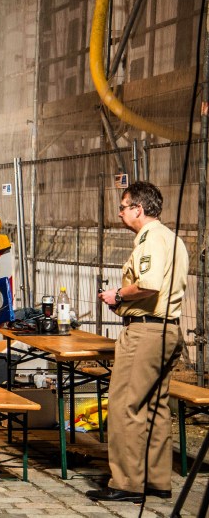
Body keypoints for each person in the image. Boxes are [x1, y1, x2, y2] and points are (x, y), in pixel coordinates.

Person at [88, 181, 188, 503]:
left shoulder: (150, 239)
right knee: (156, 407)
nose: (120, 214)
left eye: (123, 207)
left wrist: (116, 294)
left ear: (138, 209)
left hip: (145, 332)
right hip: (168, 329)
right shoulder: (173, 238)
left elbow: (148, 283)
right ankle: (157, 480)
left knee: (125, 406)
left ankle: (127, 483)